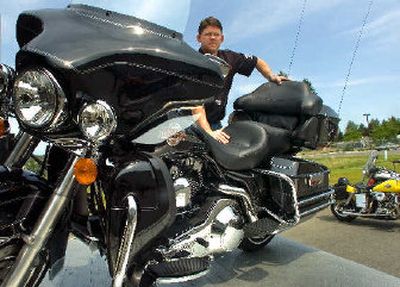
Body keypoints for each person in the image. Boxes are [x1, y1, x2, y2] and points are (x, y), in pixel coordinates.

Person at [193, 16, 288, 144]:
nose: (213, 37)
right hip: (191, 123)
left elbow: (256, 61)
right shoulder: (192, 62)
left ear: (222, 38)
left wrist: (270, 76)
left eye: (216, 34)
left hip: (215, 123)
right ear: (199, 38)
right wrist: (208, 132)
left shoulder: (230, 58)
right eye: (208, 34)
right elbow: (196, 104)